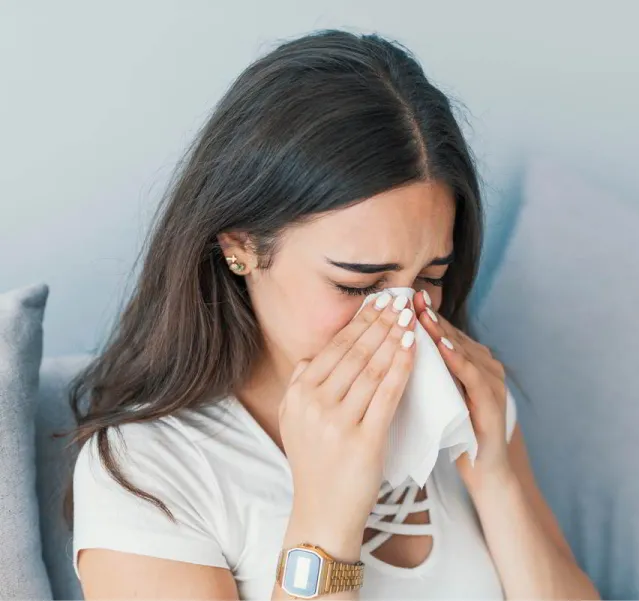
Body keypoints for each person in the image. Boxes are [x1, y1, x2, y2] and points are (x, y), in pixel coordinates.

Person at [69, 29, 600, 600]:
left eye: (429, 279)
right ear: (240, 248)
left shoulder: (464, 408)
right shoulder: (151, 471)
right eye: (359, 284)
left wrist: (496, 477)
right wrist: (326, 516)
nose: (403, 318)